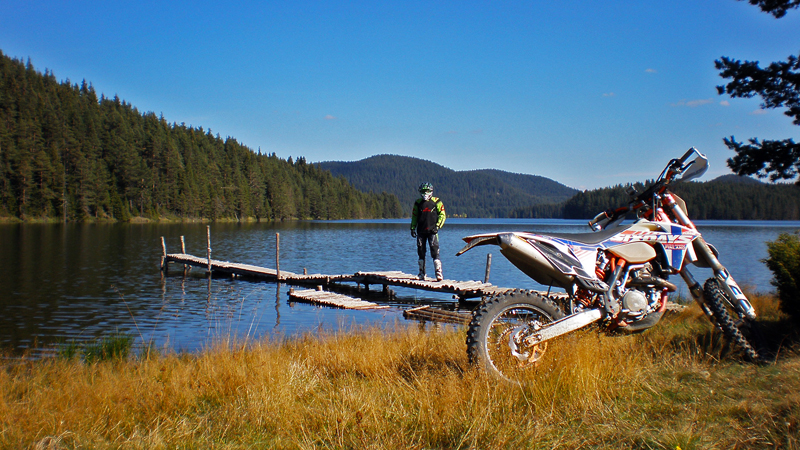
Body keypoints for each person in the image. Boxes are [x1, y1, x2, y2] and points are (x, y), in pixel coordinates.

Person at [410, 182, 446, 281]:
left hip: (432, 231)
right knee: (421, 251)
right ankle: (421, 273)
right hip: (421, 231)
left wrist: (438, 226)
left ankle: (438, 273)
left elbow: (442, 215)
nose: (425, 193)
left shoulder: (437, 201)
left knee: (435, 251)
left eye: (427, 191)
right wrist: (412, 227)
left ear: (431, 191)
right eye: (423, 191)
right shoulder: (418, 203)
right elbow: (414, 216)